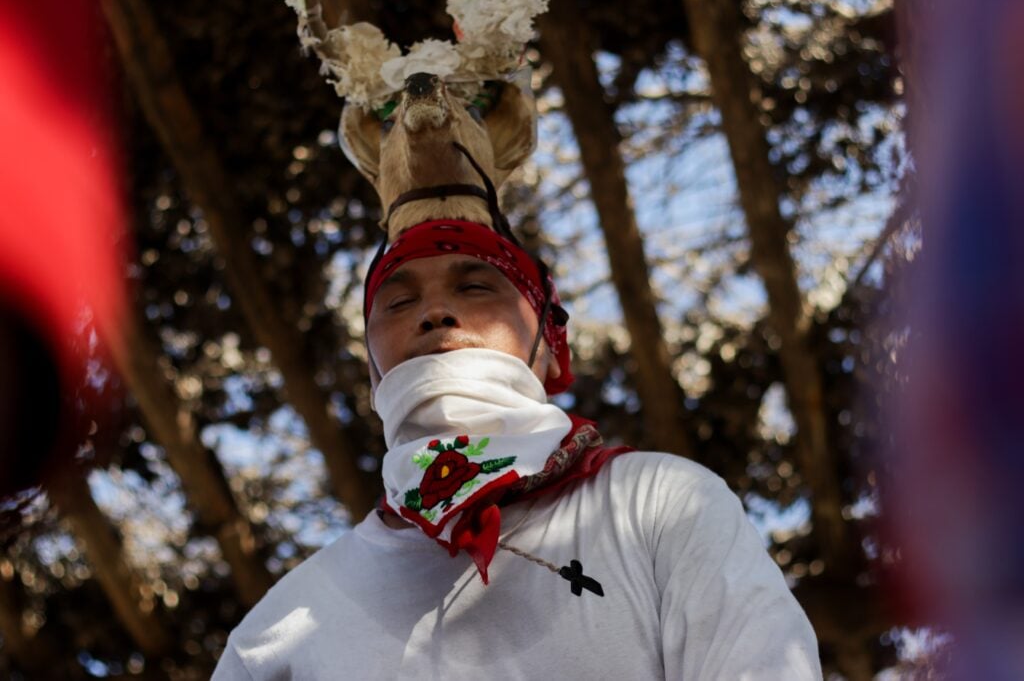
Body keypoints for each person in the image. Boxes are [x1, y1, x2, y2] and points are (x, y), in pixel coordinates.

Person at [213, 219, 822, 679]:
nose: (435, 312)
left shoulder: (659, 503)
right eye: (398, 303)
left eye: (476, 285)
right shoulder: (281, 629)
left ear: (551, 349)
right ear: (373, 376)